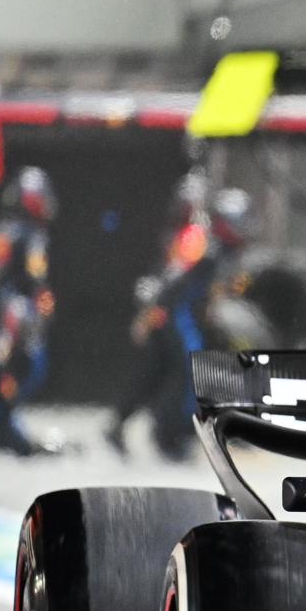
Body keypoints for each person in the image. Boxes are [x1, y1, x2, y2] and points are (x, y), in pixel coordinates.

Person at [106, 178, 247, 459]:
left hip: (178, 316)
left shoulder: (209, 246)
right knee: (188, 374)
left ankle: (138, 426)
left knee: (161, 371)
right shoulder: (202, 244)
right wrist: (153, 312)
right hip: (175, 316)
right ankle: (171, 435)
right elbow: (174, 280)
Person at [0, 167, 57, 454]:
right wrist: (41, 307)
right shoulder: (32, 237)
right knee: (30, 367)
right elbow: (35, 280)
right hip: (17, 315)